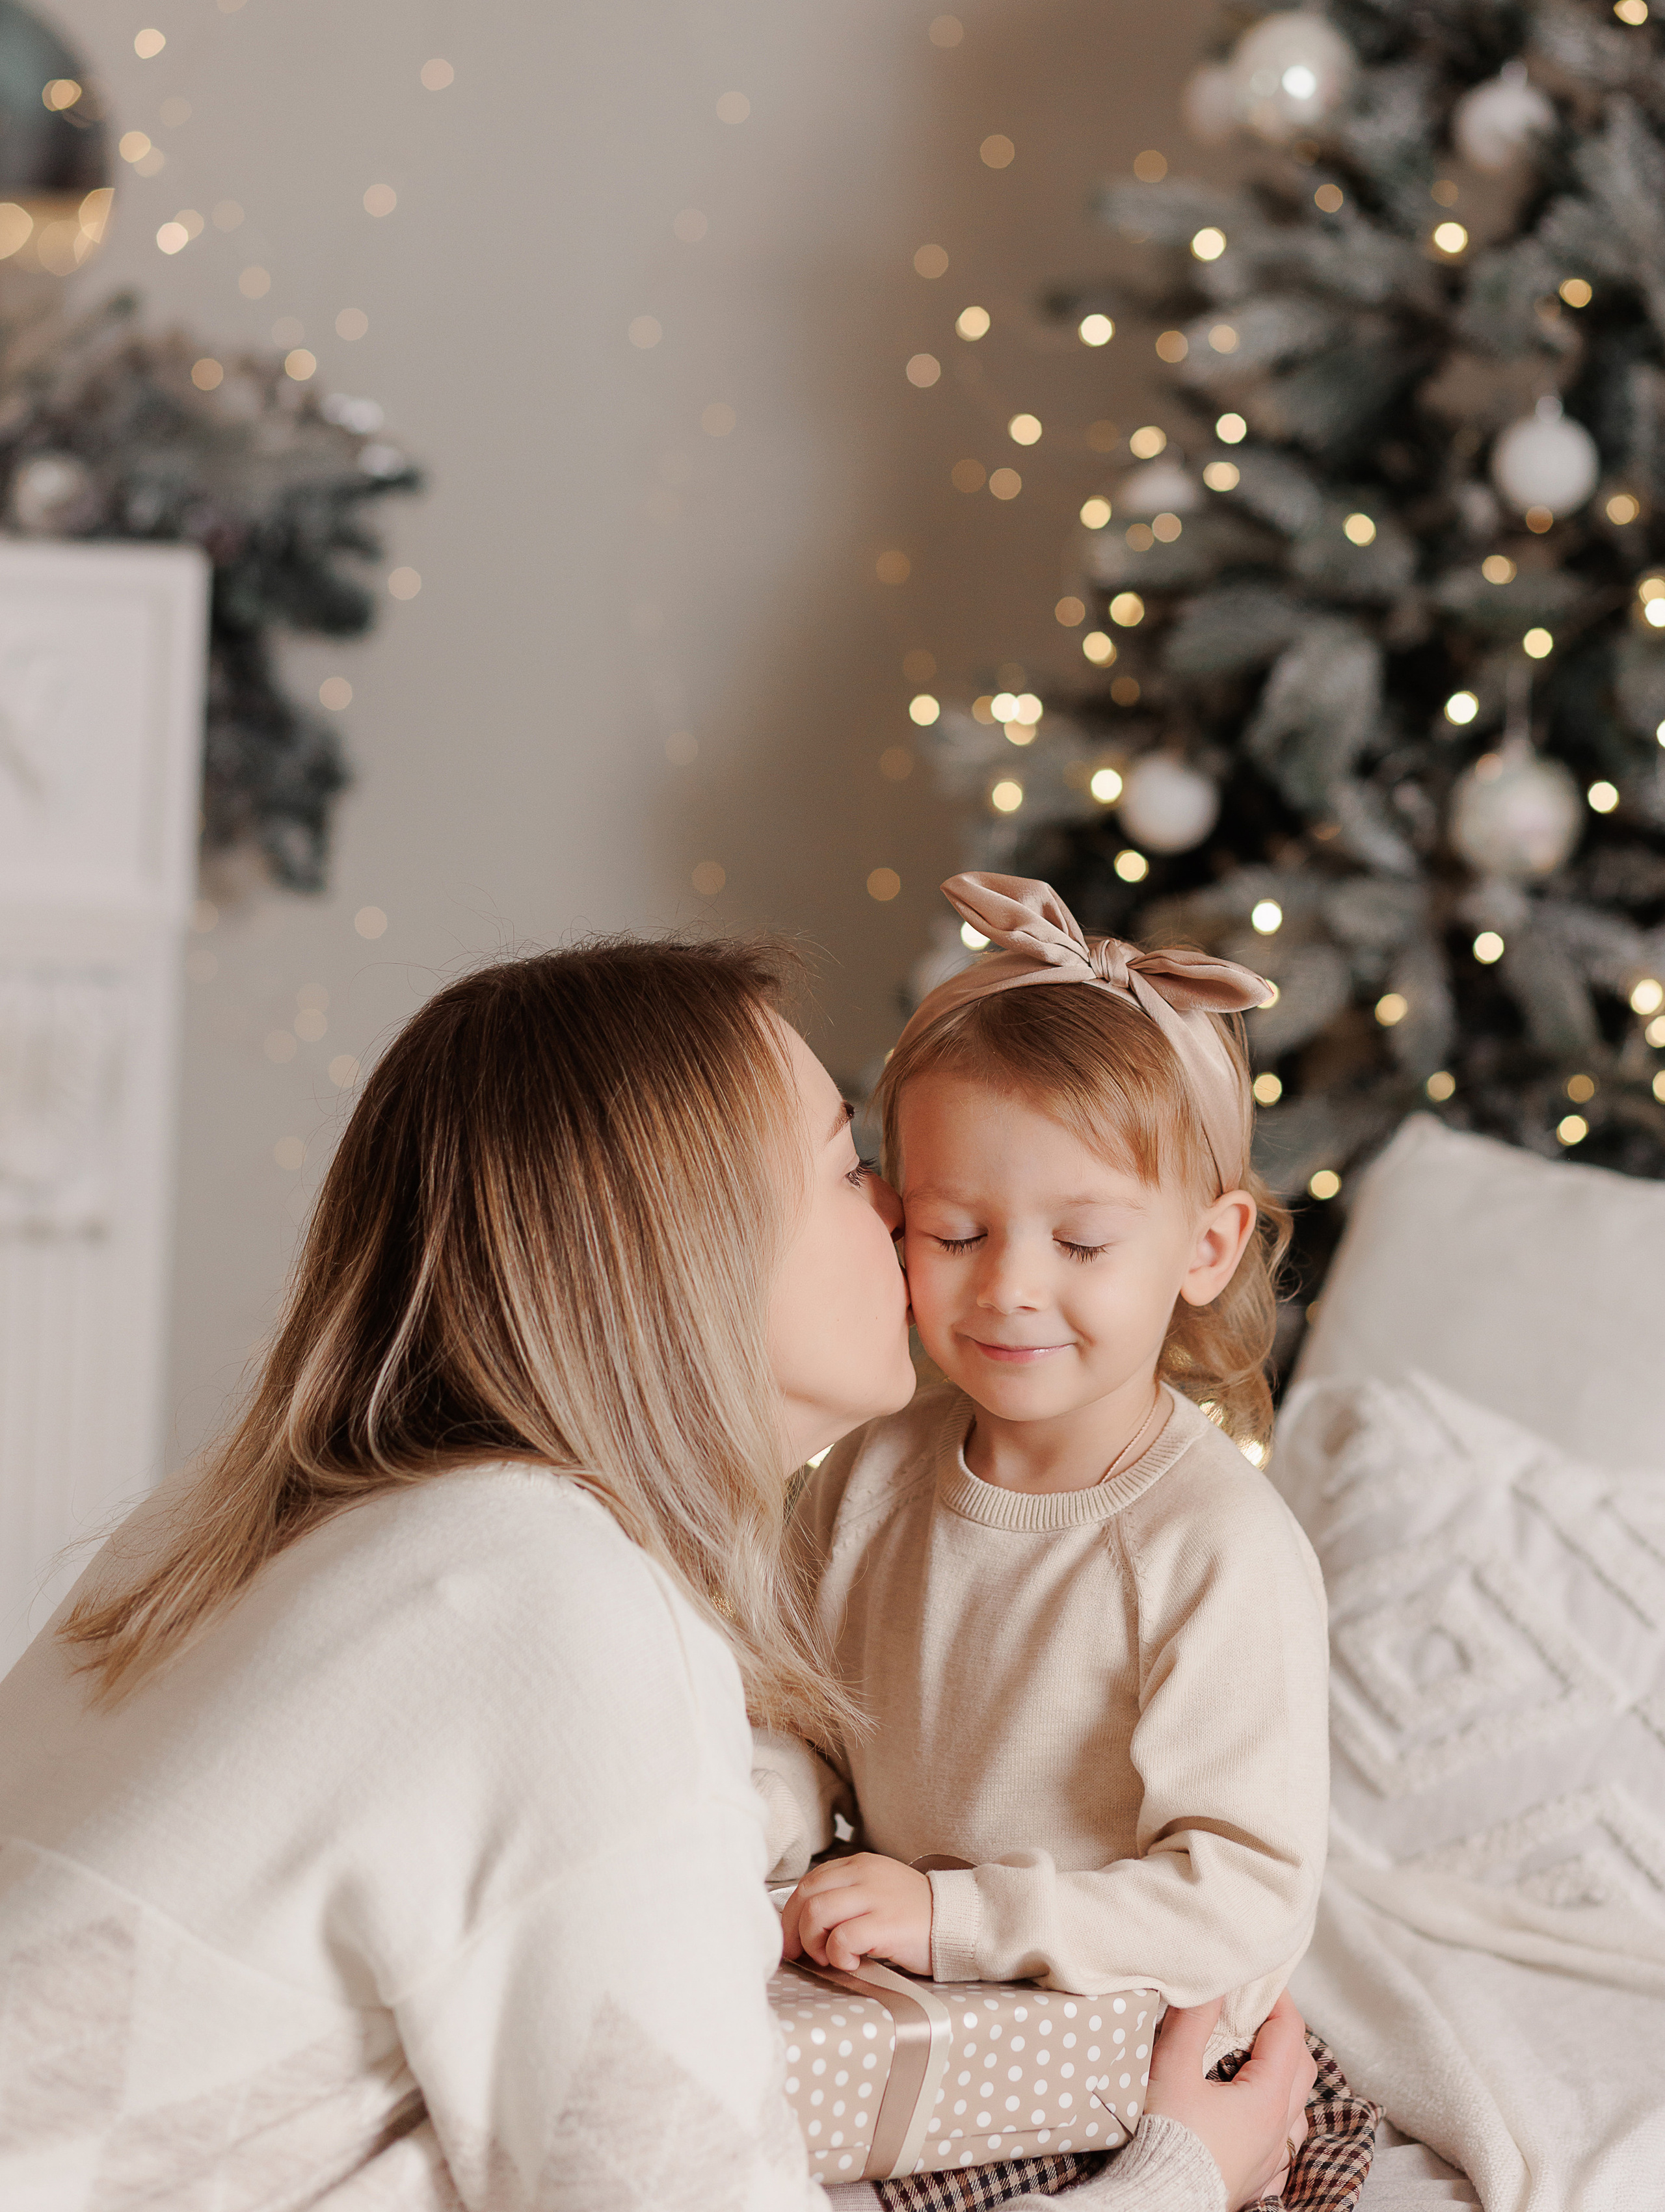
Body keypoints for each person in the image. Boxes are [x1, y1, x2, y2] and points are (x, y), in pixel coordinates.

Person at [0, 936, 1311, 2211]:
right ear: (694, 1250)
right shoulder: (545, 1609)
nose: (903, 1219)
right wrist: (1178, 2176)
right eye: (853, 1168)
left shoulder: (237, 1530)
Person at [760, 875, 1333, 2191]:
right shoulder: (868, 1474)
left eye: (1081, 1243)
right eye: (955, 1232)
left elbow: (1242, 1902)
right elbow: (791, 1727)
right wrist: (742, 1842)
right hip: (909, 2016)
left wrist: (953, 1914)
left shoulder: (1215, 1548)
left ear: (1205, 1248)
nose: (1011, 1288)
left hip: (1115, 2072)